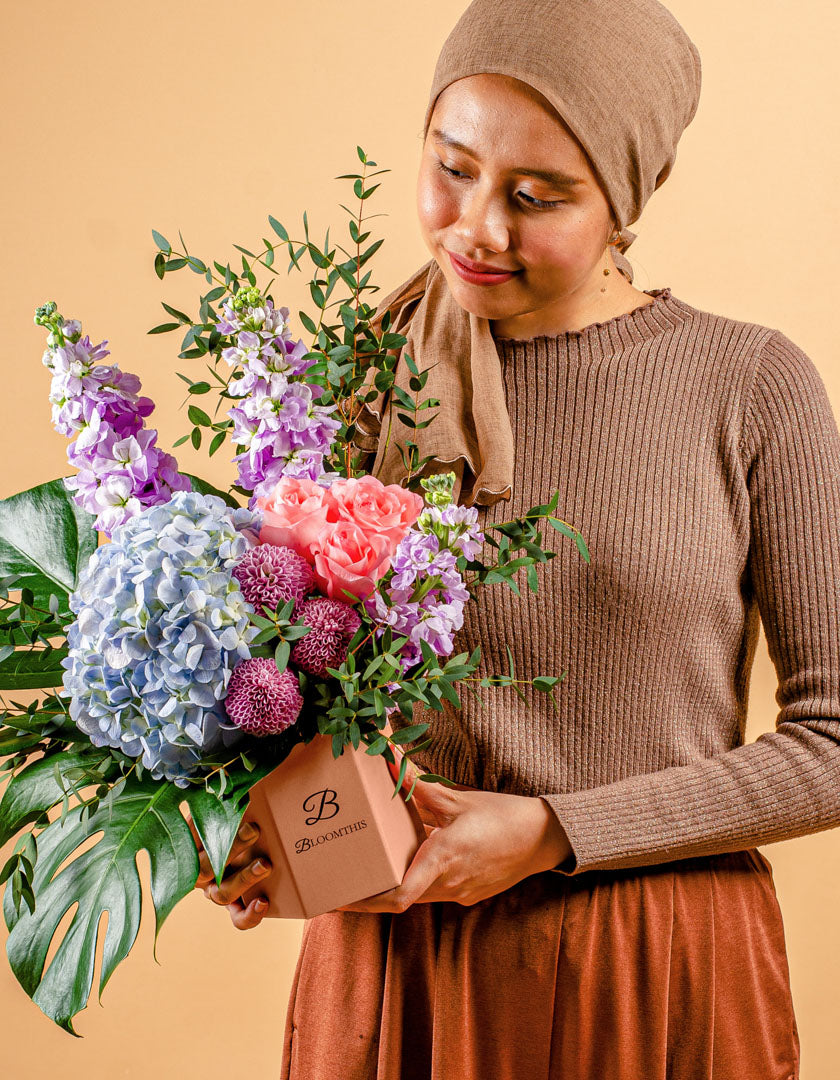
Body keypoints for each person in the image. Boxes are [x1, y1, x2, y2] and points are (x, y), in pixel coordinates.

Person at [196, 1, 840, 1076]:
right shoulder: (353, 388)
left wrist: (553, 832)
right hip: (399, 970)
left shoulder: (750, 388)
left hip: (658, 964)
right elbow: (292, 696)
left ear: (623, 202)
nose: (475, 226)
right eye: (451, 166)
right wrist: (257, 828)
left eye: (535, 198)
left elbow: (835, 741)